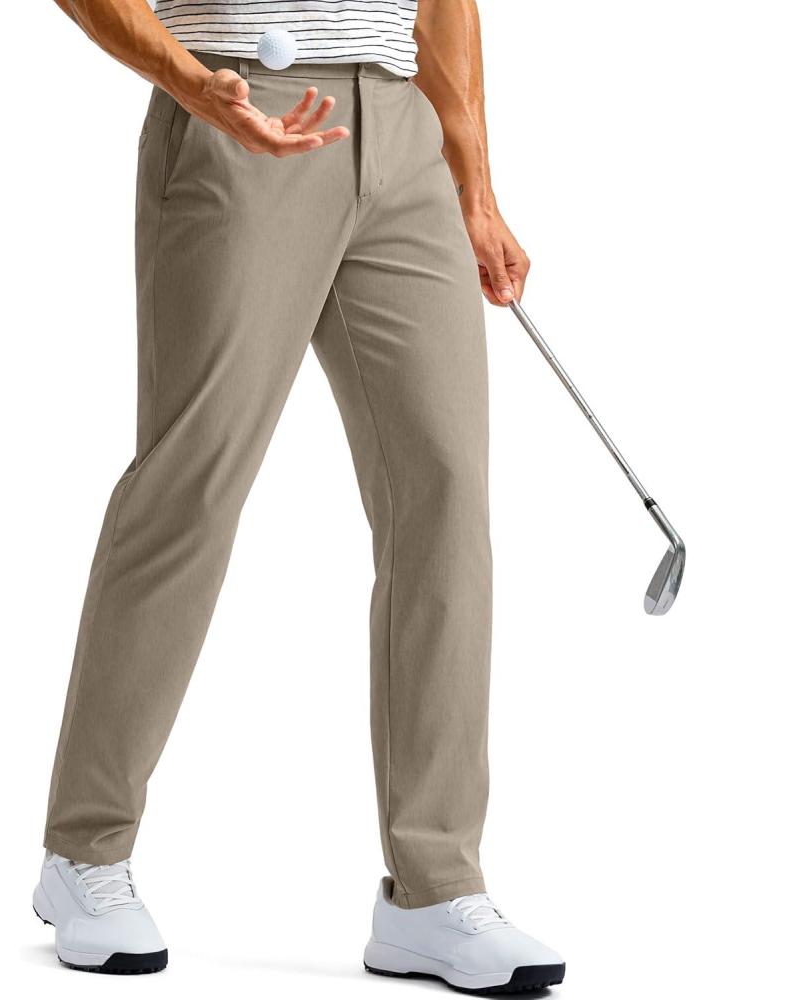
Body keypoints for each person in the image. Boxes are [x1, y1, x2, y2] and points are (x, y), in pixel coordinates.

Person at [33, 0, 564, 991]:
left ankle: (433, 889)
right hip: (239, 104)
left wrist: (474, 184)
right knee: (193, 481)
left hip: (400, 129)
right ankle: (84, 852)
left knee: (446, 495)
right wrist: (189, 83)